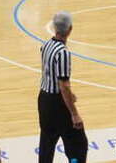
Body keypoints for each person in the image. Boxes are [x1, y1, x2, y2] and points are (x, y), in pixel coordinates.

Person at [38, 11, 88, 163]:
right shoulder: (63, 52)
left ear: (54, 28)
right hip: (57, 103)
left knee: (47, 142)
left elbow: (51, 73)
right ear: (70, 29)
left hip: (44, 99)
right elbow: (63, 85)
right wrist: (74, 113)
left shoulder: (46, 45)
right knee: (78, 143)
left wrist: (69, 93)